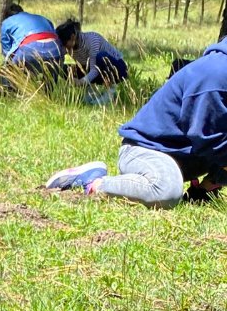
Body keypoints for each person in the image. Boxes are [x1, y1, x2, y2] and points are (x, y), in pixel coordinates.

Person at [45, 37, 227, 207]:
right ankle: (94, 181)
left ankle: (204, 190)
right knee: (166, 192)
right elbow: (208, 137)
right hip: (148, 150)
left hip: (190, 155)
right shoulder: (215, 74)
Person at [0, 3, 63, 80]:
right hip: (56, 52)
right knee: (49, 86)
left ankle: (8, 90)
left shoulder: (7, 22)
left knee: (6, 72)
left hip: (29, 49)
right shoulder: (42, 18)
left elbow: (7, 52)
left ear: (7, 16)